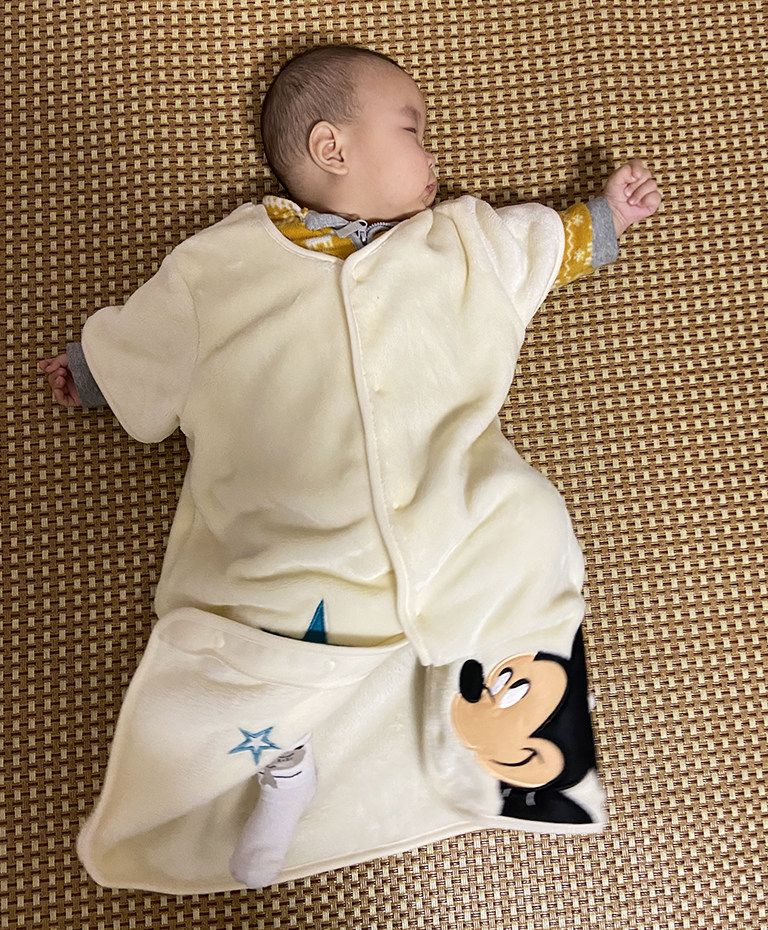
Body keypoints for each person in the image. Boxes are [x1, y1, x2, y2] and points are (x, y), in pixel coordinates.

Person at [40, 45, 661, 890]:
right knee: (266, 640)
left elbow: (536, 246)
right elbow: (148, 341)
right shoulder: (218, 268)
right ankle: (285, 770)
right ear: (332, 148)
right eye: (413, 130)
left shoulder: (458, 244)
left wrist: (605, 214)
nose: (433, 153)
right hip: (297, 539)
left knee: (529, 523)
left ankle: (510, 742)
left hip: (453, 511)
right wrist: (90, 370)